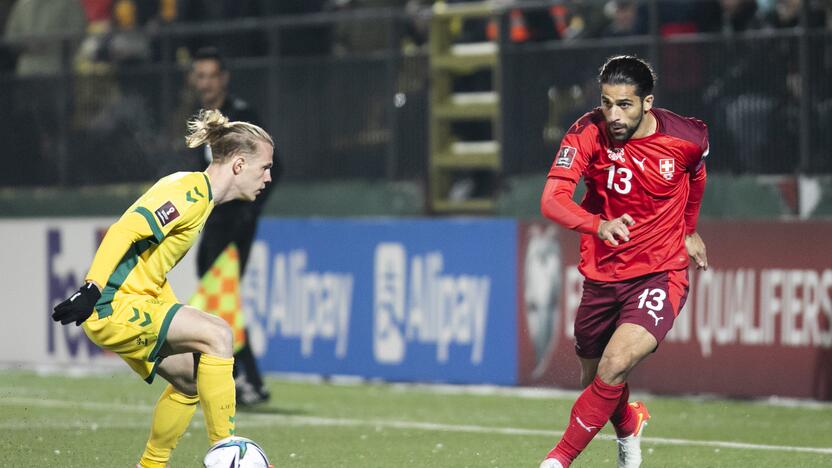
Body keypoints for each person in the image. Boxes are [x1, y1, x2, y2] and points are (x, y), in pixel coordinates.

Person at [51, 108, 275, 468]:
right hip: (114, 303)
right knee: (218, 333)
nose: (268, 177)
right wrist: (91, 288)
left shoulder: (198, 196)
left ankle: (150, 466)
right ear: (238, 164)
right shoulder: (188, 194)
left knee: (190, 380)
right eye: (264, 166)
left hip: (136, 297)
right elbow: (125, 230)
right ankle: (228, 452)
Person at [538, 55, 709, 468]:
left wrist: (688, 229)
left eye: (625, 105)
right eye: (606, 103)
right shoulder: (586, 132)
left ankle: (557, 461)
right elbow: (551, 201)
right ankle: (630, 423)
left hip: (660, 272)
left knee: (614, 366)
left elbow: (696, 176)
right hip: (603, 273)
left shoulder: (688, 137)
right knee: (595, 378)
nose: (613, 115)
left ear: (647, 103)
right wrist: (597, 225)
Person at [187, 46, 276, 406]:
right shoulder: (207, 120)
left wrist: (250, 212)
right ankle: (243, 376)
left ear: (224, 78)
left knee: (219, 296)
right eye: (200, 76)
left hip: (235, 221)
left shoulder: (241, 117)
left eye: (212, 75)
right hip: (214, 219)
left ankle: (241, 376)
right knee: (218, 296)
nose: (206, 83)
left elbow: (273, 166)